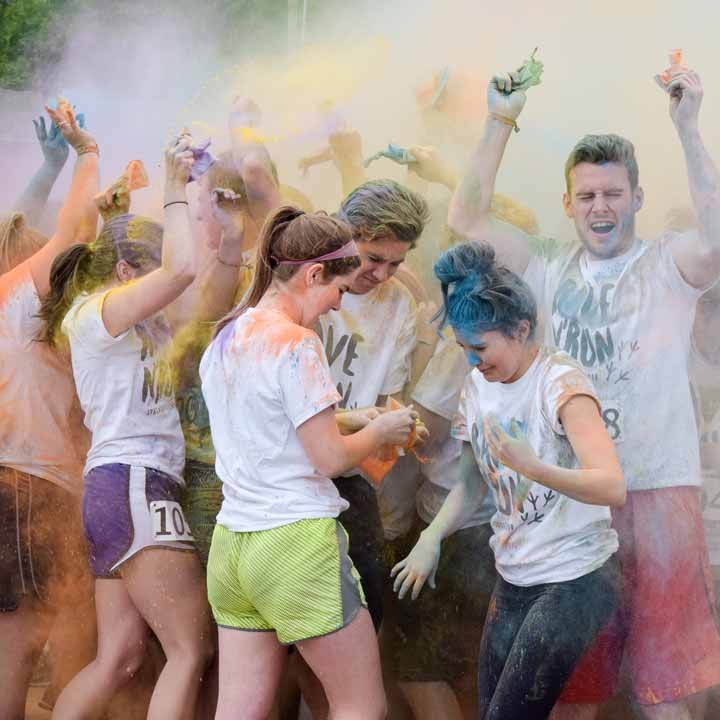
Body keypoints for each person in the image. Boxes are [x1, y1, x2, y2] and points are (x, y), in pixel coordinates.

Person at [448, 59, 720, 720]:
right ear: (567, 203)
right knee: (574, 693)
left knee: (664, 693)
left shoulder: (666, 263)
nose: (601, 207)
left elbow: (716, 240)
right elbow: (464, 218)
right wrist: (497, 121)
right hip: (570, 507)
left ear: (636, 198)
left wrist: (688, 127)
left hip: (657, 490)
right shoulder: (542, 264)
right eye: (588, 195)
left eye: (614, 193)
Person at [201, 205, 418, 720]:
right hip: (295, 544)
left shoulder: (228, 334)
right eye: (337, 292)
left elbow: (266, 425)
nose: (335, 306)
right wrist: (380, 428)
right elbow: (326, 459)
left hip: (233, 547)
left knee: (238, 711)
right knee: (361, 705)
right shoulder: (298, 344)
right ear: (313, 273)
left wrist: (348, 416)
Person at [392, 241, 625, 720]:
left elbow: (610, 485)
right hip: (515, 573)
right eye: (463, 349)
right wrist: (431, 537)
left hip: (575, 577)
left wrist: (534, 467)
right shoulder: (478, 385)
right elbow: (471, 485)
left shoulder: (561, 383)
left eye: (480, 348)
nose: (473, 362)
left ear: (521, 330)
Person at [37, 132, 213, 720]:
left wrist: (178, 195)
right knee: (190, 649)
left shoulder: (130, 318)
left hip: (121, 487)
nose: (161, 285)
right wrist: (171, 184)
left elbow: (194, 272)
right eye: (149, 270)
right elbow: (184, 268)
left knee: (122, 658)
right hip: (134, 482)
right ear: (121, 270)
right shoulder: (96, 314)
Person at [0, 101, 99, 720]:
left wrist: (46, 171)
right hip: (34, 480)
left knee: (11, 636)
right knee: (58, 621)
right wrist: (85, 158)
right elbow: (68, 235)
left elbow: (18, 232)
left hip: (11, 478)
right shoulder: (26, 306)